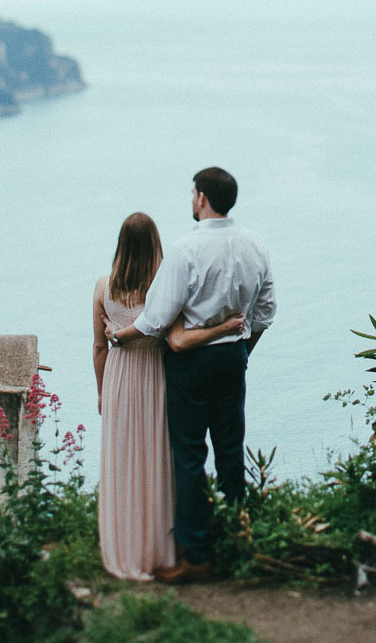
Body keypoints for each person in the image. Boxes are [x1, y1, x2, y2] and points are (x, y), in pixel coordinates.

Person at [106, 167, 276, 584]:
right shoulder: (256, 244)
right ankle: (241, 540)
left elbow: (157, 317)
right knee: (231, 450)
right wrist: (243, 349)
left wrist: (120, 336)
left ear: (201, 198)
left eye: (193, 194)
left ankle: (197, 555)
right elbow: (266, 310)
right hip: (232, 357)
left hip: (191, 364)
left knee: (189, 456)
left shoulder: (185, 249)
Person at [92, 211, 244, 581]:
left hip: (119, 378)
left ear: (120, 245)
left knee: (124, 462)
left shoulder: (102, 288)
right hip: (158, 375)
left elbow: (99, 347)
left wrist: (101, 394)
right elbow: (175, 337)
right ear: (156, 244)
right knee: (159, 462)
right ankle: (164, 548)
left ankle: (125, 548)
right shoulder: (164, 286)